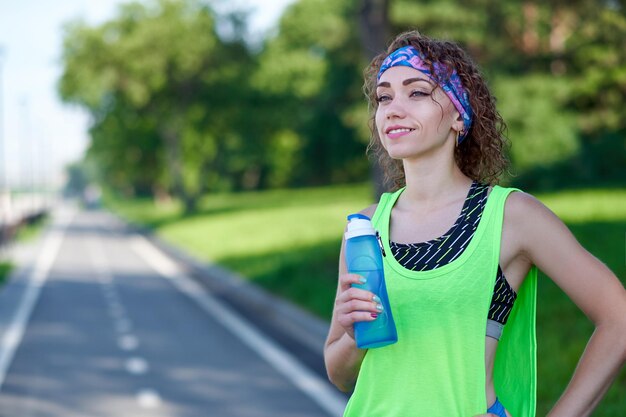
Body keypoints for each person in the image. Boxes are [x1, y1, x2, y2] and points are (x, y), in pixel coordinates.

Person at [324, 30, 626, 417]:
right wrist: (353, 336)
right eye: (384, 96)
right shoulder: (365, 228)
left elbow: (617, 317)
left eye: (416, 92)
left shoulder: (512, 217)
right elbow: (339, 374)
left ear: (457, 114)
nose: (393, 108)